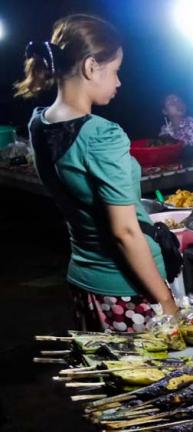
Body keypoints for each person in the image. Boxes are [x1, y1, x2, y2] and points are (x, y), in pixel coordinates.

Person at [15, 14, 178, 331]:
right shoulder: (102, 136)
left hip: (84, 282)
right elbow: (124, 232)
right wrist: (166, 301)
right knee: (154, 378)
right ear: (91, 67)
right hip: (127, 292)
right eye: (115, 71)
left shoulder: (40, 123)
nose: (119, 82)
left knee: (107, 374)